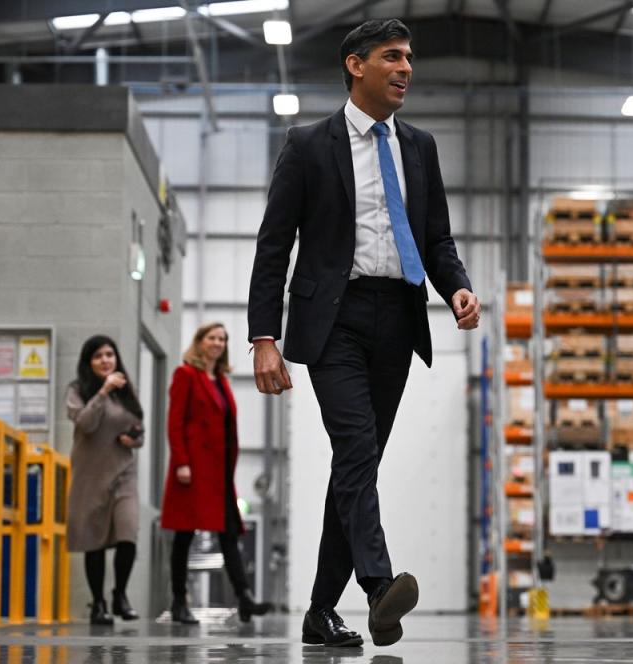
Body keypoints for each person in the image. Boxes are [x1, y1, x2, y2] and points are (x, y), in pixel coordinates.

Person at [248, 18, 480, 648]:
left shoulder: (420, 146)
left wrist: (455, 284)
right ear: (356, 65)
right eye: (392, 57)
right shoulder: (308, 144)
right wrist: (263, 336)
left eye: (409, 58)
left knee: (358, 465)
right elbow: (274, 246)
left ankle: (320, 611)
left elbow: (435, 237)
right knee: (356, 451)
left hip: (398, 318)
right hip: (334, 321)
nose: (406, 68)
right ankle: (379, 587)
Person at [160, 322, 272, 624]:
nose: (218, 343)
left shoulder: (221, 380)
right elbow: (175, 422)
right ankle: (179, 601)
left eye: (222, 338)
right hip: (192, 469)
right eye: (212, 337)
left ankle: (244, 597)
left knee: (229, 534)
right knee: (184, 536)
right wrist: (181, 461)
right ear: (199, 342)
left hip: (219, 473)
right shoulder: (185, 375)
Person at [66, 335, 144, 625]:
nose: (105, 360)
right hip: (90, 474)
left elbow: (139, 428)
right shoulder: (77, 390)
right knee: (93, 539)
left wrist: (133, 439)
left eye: (110, 354)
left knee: (128, 533)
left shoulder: (126, 391)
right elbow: (85, 423)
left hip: (123, 472)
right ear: (89, 362)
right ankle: (98, 603)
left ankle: (119, 595)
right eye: (98, 356)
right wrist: (103, 392)